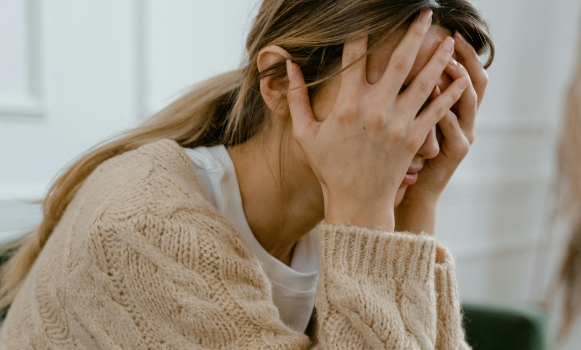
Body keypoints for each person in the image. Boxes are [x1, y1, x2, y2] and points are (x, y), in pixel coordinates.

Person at [0, 0, 493, 348]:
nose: (424, 141)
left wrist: (416, 206)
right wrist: (372, 214)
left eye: (439, 106)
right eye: (395, 97)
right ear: (280, 82)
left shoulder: (343, 206)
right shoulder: (143, 226)